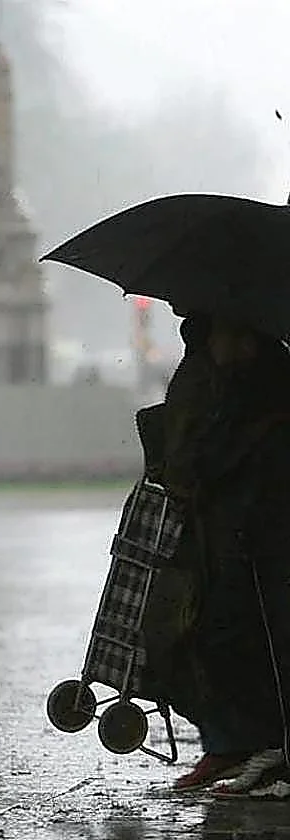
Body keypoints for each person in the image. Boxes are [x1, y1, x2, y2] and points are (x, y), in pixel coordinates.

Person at [151, 317, 290, 797]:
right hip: (225, 531)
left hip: (256, 536)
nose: (215, 343)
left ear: (249, 340)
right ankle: (236, 742)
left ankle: (266, 749)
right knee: (207, 634)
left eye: (224, 335)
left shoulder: (264, 394)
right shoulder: (218, 376)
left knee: (251, 637)